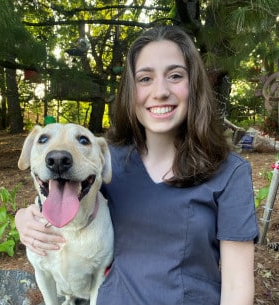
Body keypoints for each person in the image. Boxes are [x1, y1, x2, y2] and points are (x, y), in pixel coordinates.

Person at [15, 25, 259, 305]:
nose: (160, 91)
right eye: (145, 78)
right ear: (130, 91)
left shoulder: (229, 173)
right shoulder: (107, 160)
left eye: (175, 75)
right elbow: (63, 200)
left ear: (195, 85)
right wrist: (24, 218)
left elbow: (237, 288)